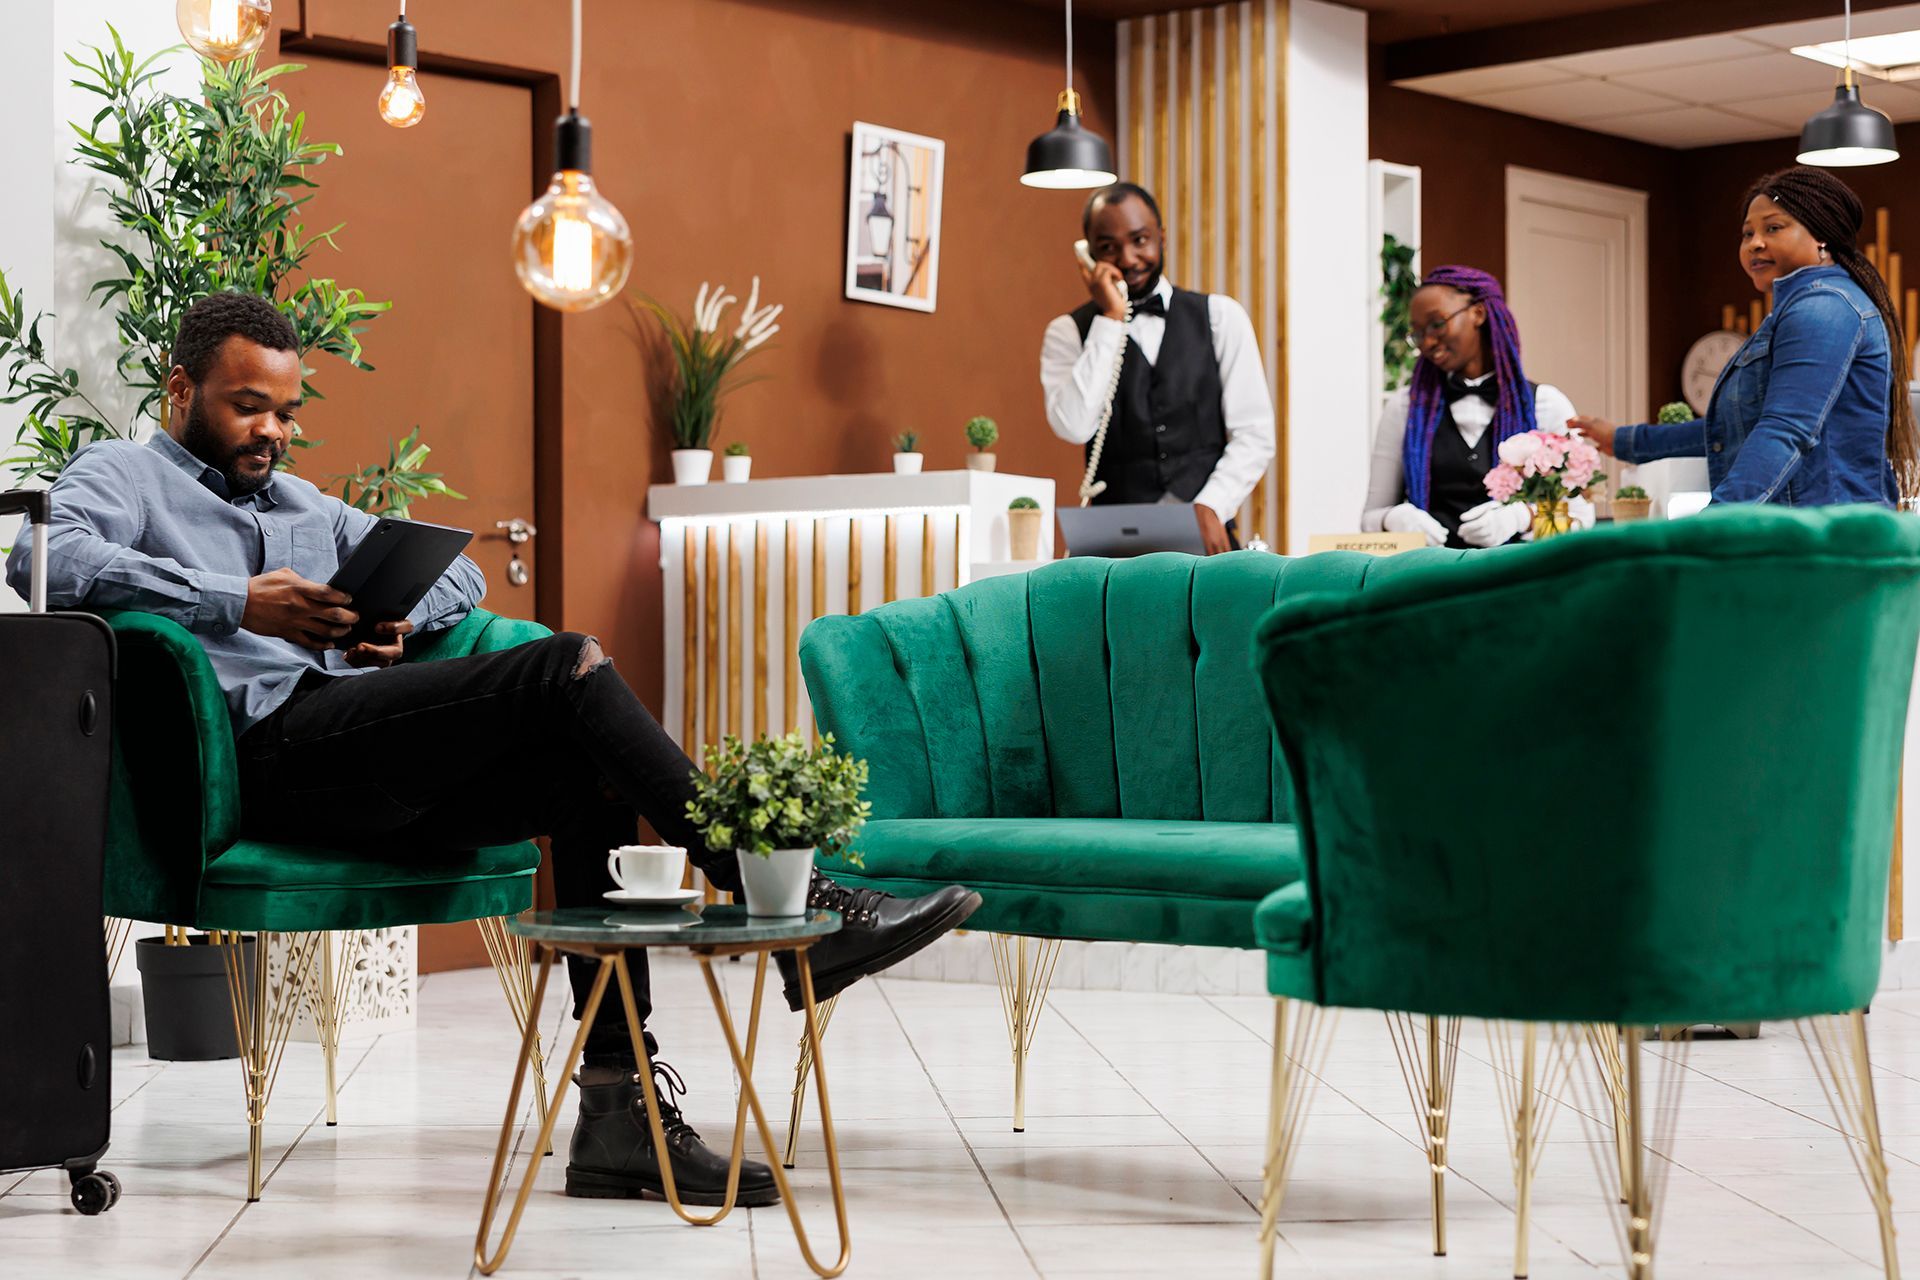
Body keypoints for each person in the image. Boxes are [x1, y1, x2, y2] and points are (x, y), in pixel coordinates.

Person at [3, 291, 981, 1210]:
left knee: (584, 768)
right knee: (565, 666)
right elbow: (47, 559)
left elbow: (461, 575)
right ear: (182, 391)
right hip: (261, 757)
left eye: (287, 410)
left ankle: (618, 1108)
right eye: (248, 406)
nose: (273, 430)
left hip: (358, 736)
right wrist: (237, 602)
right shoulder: (121, 475)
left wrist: (385, 622)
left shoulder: (302, 501)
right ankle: (791, 899)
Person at [1576, 166, 1918, 507]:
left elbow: (1784, 430)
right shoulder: (1804, 306)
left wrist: (1715, 524)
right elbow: (1733, 428)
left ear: (1821, 235)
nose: (1755, 243)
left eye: (1773, 228)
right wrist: (1627, 441)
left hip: (1823, 542)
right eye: (1746, 234)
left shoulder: (1823, 308)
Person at [1040, 182, 1275, 554]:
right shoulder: (1067, 332)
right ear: (1088, 254)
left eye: (1140, 240)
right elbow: (1073, 425)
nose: (1129, 259)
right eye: (1108, 248)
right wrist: (1111, 319)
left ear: (1161, 238)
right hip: (1109, 548)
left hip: (1203, 536)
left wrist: (1212, 504)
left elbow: (1255, 433)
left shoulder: (1221, 316)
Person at [1362, 265, 1588, 548]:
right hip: (1433, 579)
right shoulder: (1404, 408)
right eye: (1418, 334)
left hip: (1517, 581)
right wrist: (1394, 518)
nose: (1428, 342)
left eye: (1436, 324)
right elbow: (1370, 519)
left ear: (1478, 313)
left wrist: (1523, 518)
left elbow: (1579, 519)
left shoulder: (1546, 404)